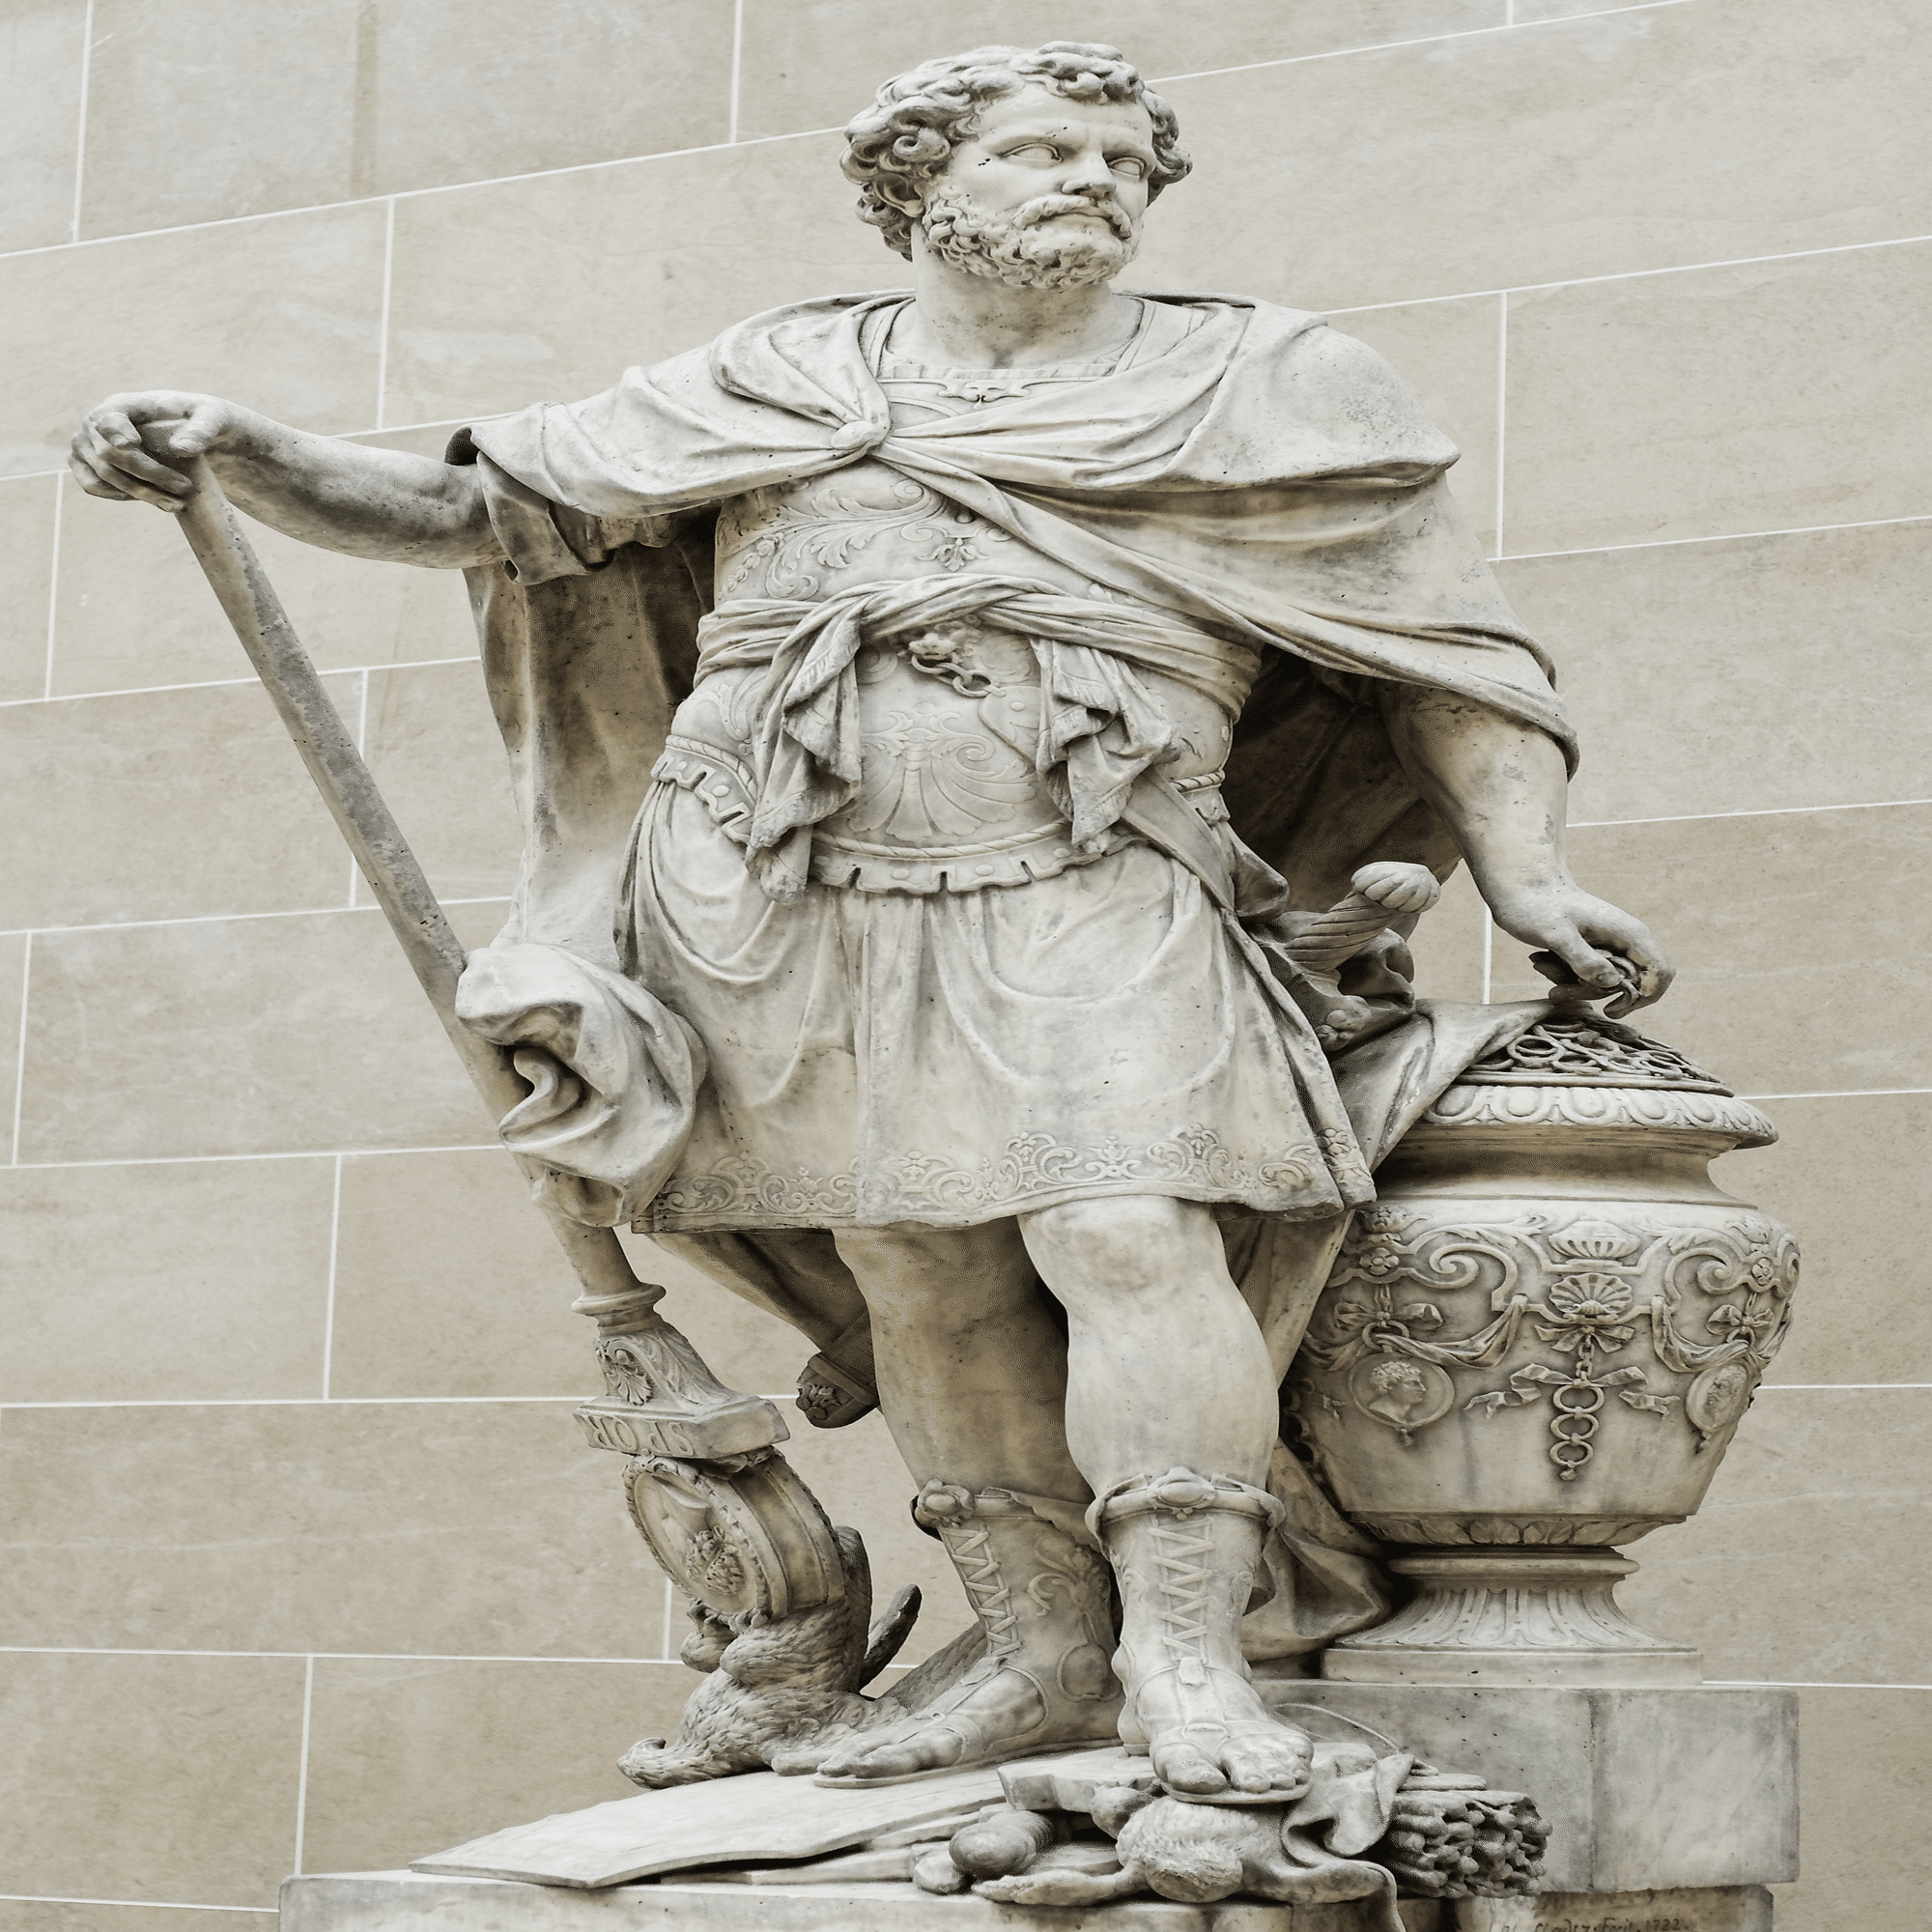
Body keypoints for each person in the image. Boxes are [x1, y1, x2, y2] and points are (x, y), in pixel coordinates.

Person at [71, 42, 1670, 1804]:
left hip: (1103, 861)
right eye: (1045, 150)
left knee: (1126, 1226)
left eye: (1125, 161)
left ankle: (1189, 1661)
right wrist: (244, 450)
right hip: (776, 884)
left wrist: (1526, 871)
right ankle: (1045, 1655)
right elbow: (479, 511)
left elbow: (1448, 655)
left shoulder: (1266, 384)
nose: (1099, 182)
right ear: (921, 186)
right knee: (921, 1264)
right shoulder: (774, 378)